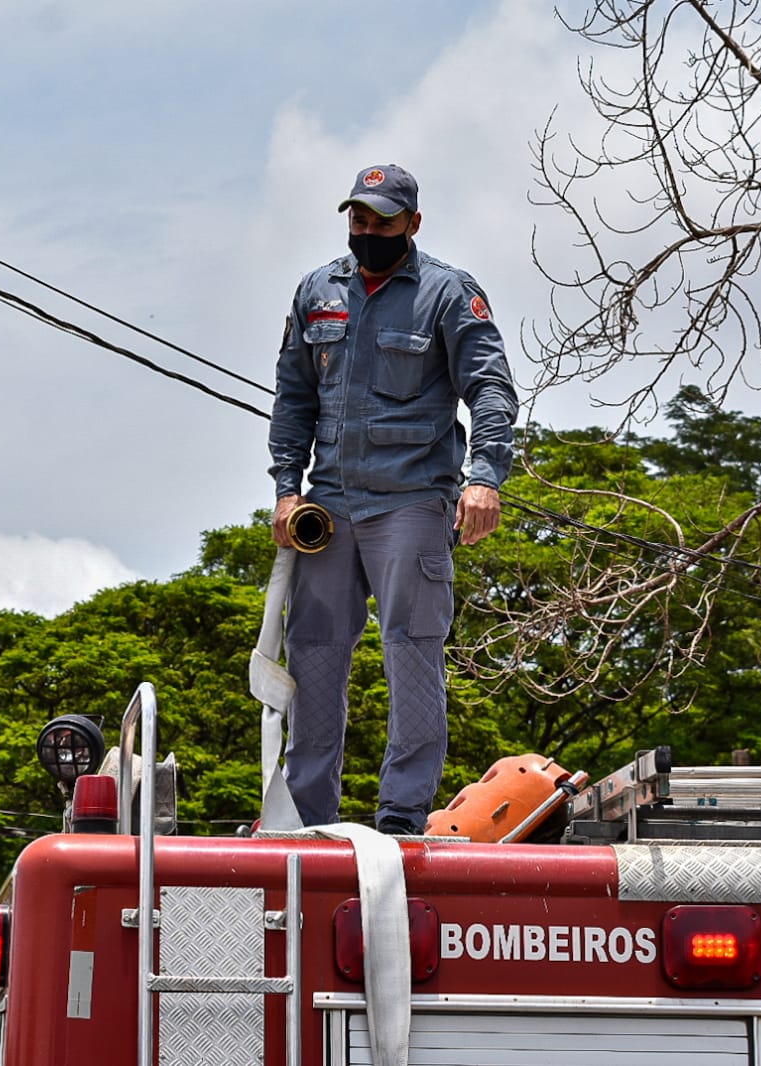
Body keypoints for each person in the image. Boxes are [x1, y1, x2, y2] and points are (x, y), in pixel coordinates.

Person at [268, 163, 518, 834]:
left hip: (410, 500)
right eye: (358, 219)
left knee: (411, 649)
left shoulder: (446, 292)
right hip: (330, 503)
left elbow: (490, 388)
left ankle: (401, 819)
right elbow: (293, 398)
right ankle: (306, 820)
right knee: (313, 653)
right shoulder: (318, 291)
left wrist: (485, 477)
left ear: (412, 222)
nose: (368, 231)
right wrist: (286, 490)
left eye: (382, 221)